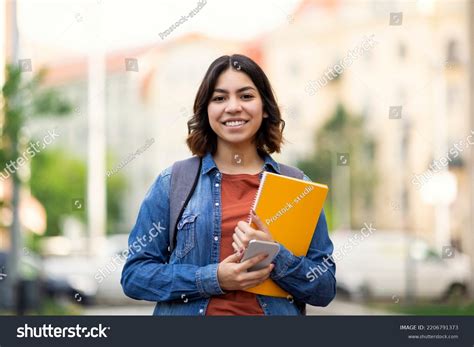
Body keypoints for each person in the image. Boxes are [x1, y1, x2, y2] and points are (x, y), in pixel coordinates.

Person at [121, 54, 336, 315]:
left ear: (265, 107)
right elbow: (134, 276)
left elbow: (324, 289)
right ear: (206, 110)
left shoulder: (298, 187)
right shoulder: (173, 182)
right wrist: (214, 279)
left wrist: (276, 255)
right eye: (219, 98)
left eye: (246, 96)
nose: (233, 107)